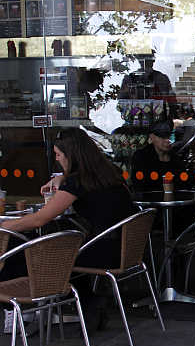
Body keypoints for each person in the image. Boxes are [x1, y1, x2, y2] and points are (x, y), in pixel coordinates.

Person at [0, 128, 136, 332]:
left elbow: (41, 218)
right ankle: (88, 303)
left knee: (24, 246)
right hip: (124, 247)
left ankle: (20, 309)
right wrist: (62, 179)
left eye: (58, 155)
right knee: (59, 246)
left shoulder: (78, 181)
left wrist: (5, 226)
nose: (56, 160)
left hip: (103, 252)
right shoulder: (110, 173)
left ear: (71, 155)